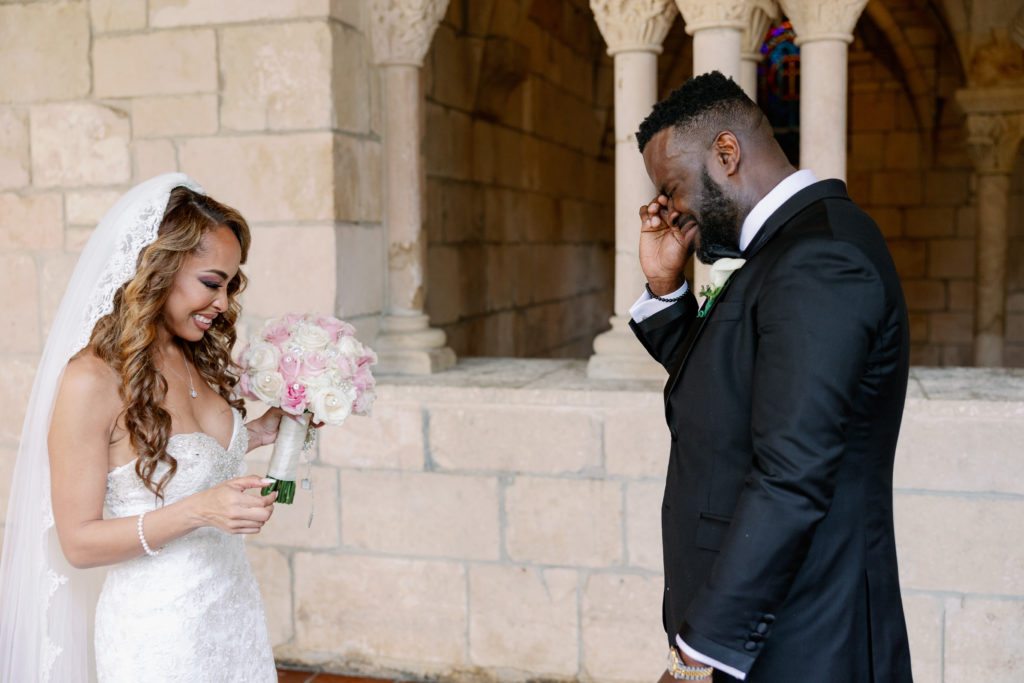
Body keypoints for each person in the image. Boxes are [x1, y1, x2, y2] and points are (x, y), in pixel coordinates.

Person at [629, 72, 913, 681]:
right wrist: (665, 290)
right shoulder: (789, 251)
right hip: (772, 629)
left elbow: (792, 475)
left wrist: (695, 657)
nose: (669, 208)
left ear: (726, 153)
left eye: (673, 186)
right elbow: (730, 392)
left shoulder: (820, 258)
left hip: (804, 639)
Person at [0, 174, 286, 682]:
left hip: (233, 613)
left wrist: (264, 431)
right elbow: (78, 543)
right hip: (158, 637)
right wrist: (201, 510)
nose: (222, 303)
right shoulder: (91, 379)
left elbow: (196, 458)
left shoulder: (194, 357)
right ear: (159, 269)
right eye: (211, 283)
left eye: (229, 285)